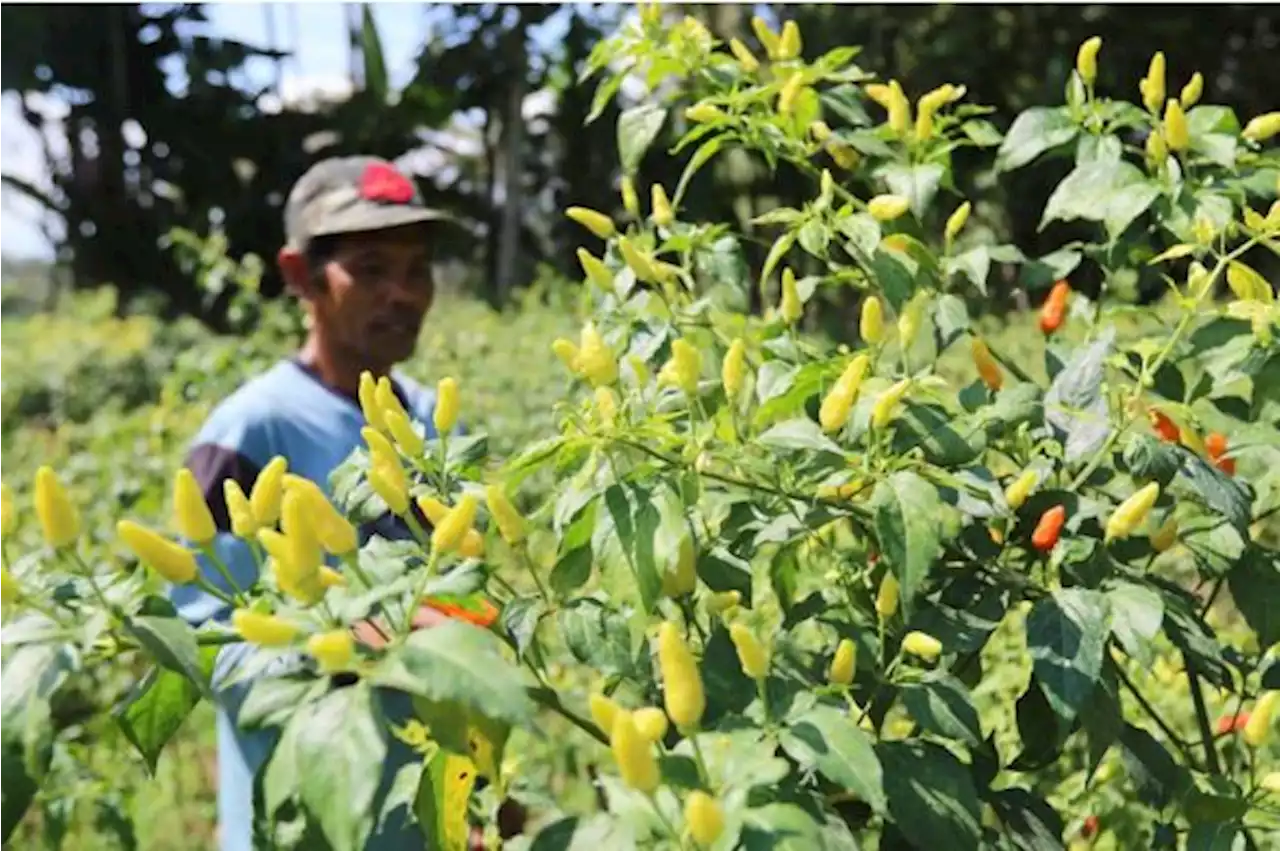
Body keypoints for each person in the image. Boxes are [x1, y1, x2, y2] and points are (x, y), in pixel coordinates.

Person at [170, 155, 460, 851]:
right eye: (370, 268)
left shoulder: (432, 422)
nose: (404, 293)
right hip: (305, 821)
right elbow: (202, 638)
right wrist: (353, 641)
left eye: (418, 269)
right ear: (301, 276)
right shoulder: (248, 434)